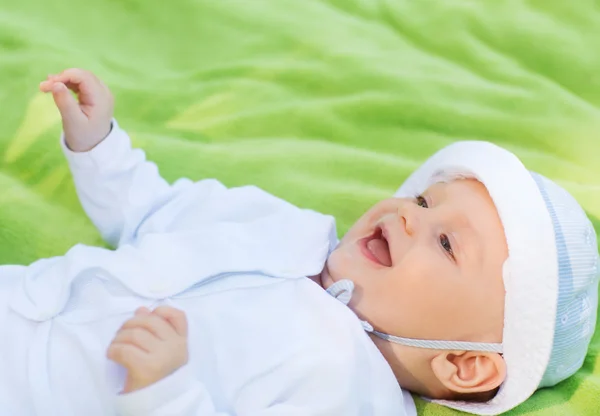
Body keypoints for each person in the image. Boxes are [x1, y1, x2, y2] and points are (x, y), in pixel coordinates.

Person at [0, 68, 596, 416]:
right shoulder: (289, 226)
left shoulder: (350, 390)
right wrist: (101, 146)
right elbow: (159, 209)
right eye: (422, 200)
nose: (408, 216)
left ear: (463, 364)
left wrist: (166, 391)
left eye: (447, 245)